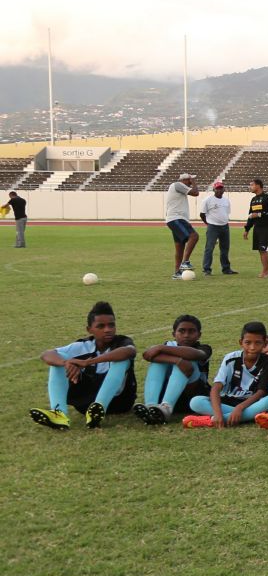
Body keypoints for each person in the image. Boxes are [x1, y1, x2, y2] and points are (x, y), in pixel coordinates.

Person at [29, 301, 137, 429]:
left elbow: (129, 351)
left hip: (120, 402)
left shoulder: (122, 342)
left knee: (122, 359)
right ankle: (59, 414)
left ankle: (99, 408)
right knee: (60, 360)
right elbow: (46, 354)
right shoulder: (82, 345)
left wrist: (88, 362)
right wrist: (66, 363)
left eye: (111, 325)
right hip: (85, 405)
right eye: (101, 326)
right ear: (89, 329)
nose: (107, 330)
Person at [134, 314, 212, 425]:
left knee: (188, 362)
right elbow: (147, 355)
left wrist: (161, 348)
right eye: (182, 331)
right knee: (158, 363)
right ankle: (150, 406)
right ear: (174, 334)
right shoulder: (169, 345)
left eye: (191, 331)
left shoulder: (204, 348)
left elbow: (194, 354)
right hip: (168, 395)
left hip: (192, 397)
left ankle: (166, 408)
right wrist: (177, 361)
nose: (186, 335)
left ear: (199, 335)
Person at [163, 172, 201, 279]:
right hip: (176, 218)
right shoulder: (178, 185)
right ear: (185, 180)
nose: (190, 183)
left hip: (175, 219)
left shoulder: (179, 188)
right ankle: (185, 262)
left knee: (179, 247)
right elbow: (196, 193)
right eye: (189, 181)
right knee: (194, 236)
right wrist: (193, 182)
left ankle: (177, 272)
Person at [200, 181, 236, 276]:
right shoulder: (207, 200)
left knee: (225, 248)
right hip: (213, 226)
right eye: (217, 188)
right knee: (209, 248)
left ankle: (226, 269)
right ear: (214, 190)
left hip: (225, 226)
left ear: (224, 190)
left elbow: (226, 213)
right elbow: (202, 214)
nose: (219, 190)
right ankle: (207, 269)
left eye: (221, 188)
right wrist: (208, 224)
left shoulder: (226, 201)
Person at [243, 178, 268, 278]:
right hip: (257, 228)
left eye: (252, 185)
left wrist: (258, 214)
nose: (250, 187)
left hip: (267, 227)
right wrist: (247, 229)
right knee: (260, 250)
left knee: (263, 249)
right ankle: (265, 270)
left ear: (258, 185)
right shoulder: (253, 200)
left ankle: (266, 271)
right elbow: (251, 215)